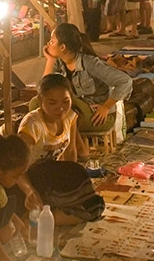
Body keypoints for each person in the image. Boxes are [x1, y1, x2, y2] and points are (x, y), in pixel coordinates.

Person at [17, 74, 103, 225]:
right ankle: (45, 216)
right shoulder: (32, 125)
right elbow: (17, 165)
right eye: (52, 103)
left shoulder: (70, 116)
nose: (61, 108)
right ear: (40, 99)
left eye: (66, 101)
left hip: (52, 174)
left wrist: (72, 182)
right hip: (31, 178)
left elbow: (70, 153)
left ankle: (55, 212)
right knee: (82, 208)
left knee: (93, 204)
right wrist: (30, 192)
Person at [43, 23, 132, 140]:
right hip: (78, 111)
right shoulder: (59, 63)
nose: (48, 44)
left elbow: (125, 81)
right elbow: (43, 90)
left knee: (64, 107)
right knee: (38, 102)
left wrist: (106, 107)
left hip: (96, 115)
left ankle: (73, 147)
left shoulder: (90, 63)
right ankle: (63, 144)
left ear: (62, 47)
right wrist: (50, 60)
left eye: (52, 41)